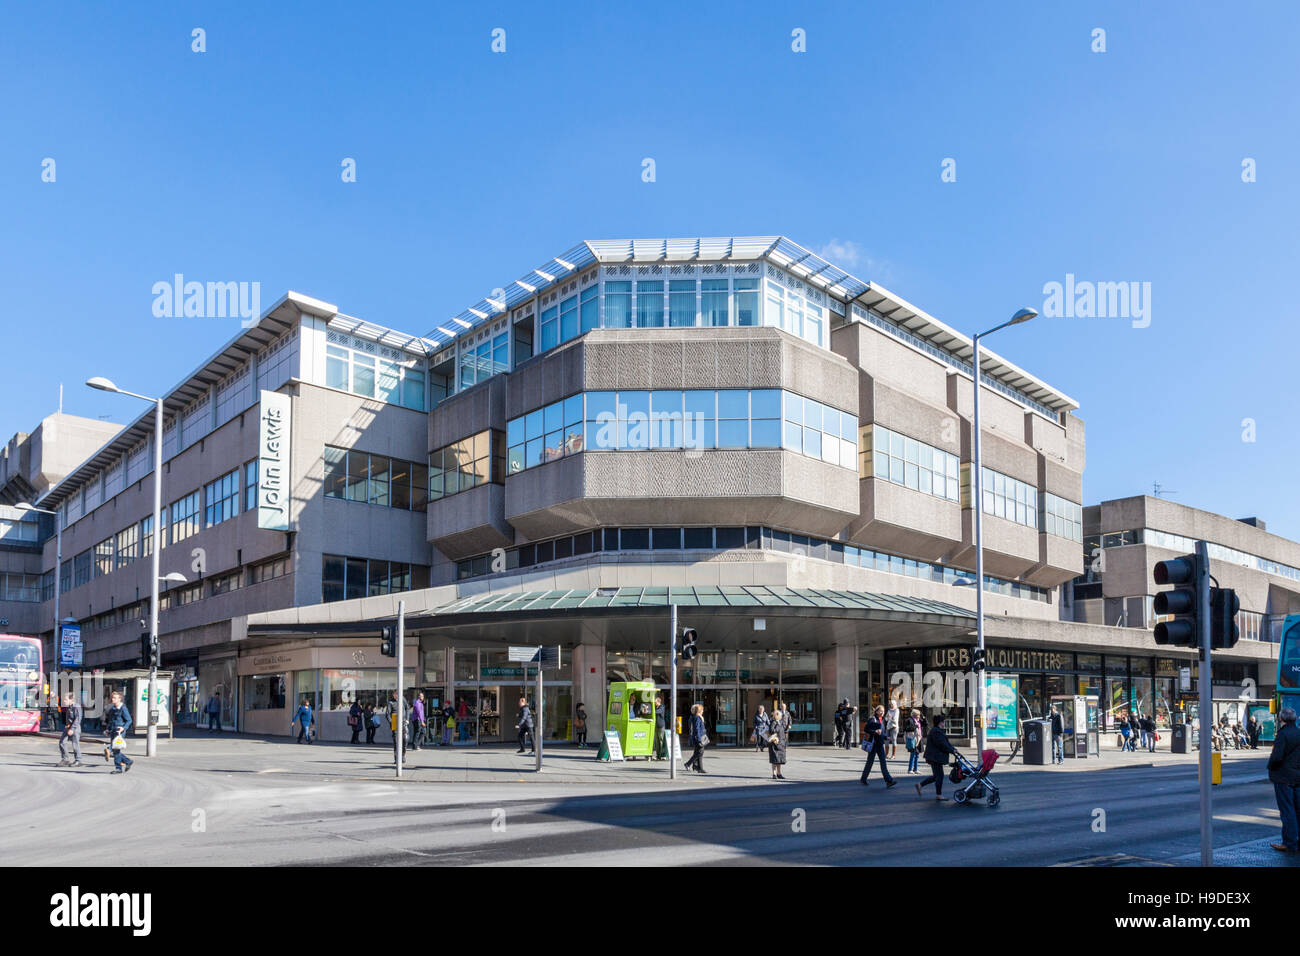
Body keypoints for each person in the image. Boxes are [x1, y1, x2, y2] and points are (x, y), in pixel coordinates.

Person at [1267, 707, 1300, 854]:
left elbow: (1276, 757)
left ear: (1282, 719)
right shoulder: (1299, 732)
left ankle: (1289, 843)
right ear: (1296, 718)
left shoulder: (1283, 734)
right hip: (1298, 776)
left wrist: (1271, 768)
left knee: (1287, 811)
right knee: (1297, 810)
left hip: (1284, 777)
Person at [916, 713, 956, 801]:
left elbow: (944, 743)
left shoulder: (937, 731)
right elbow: (942, 744)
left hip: (934, 756)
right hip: (935, 757)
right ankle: (939, 794)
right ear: (939, 723)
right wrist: (952, 750)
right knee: (940, 776)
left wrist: (953, 749)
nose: (944, 723)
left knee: (936, 776)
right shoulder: (936, 732)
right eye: (943, 721)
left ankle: (920, 785)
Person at [860, 705, 898, 788]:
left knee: (883, 763)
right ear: (877, 711)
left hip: (880, 744)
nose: (882, 712)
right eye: (881, 711)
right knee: (870, 762)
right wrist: (875, 731)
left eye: (883, 711)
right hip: (873, 744)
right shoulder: (872, 719)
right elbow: (866, 729)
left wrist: (886, 737)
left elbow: (881, 733)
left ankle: (889, 781)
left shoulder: (882, 720)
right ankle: (863, 779)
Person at [104, 691, 134, 774]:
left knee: (116, 749)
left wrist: (123, 728)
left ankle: (118, 768)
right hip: (113, 731)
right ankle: (127, 761)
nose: (112, 699)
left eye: (114, 698)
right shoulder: (112, 709)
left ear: (119, 699)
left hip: (119, 732)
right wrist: (108, 729)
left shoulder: (123, 708)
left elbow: (129, 720)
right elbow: (111, 721)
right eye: (112, 698)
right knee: (115, 750)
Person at [57, 692, 84, 768]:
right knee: (62, 742)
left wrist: (72, 729)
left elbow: (78, 719)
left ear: (71, 699)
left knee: (75, 744)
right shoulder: (69, 707)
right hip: (68, 727)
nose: (64, 701)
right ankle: (65, 759)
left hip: (75, 728)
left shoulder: (76, 707)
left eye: (66, 699)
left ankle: (78, 761)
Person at [683, 703, 708, 774]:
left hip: (698, 737)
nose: (703, 711)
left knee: (699, 753)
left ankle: (698, 768)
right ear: (699, 710)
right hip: (698, 738)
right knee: (699, 752)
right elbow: (697, 729)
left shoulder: (698, 717)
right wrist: (699, 739)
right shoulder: (697, 718)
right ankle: (688, 764)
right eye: (702, 710)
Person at [767, 707, 788, 779]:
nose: (781, 716)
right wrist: (778, 726)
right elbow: (772, 731)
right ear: (777, 715)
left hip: (781, 743)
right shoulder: (773, 722)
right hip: (775, 744)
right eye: (780, 715)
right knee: (774, 760)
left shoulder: (781, 722)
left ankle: (779, 773)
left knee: (779, 760)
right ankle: (774, 774)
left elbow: (783, 731)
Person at [388, 692, 408, 763]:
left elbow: (407, 708)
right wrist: (391, 722)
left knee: (405, 739)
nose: (396, 696)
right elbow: (387, 714)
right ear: (393, 695)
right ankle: (396, 758)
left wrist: (407, 719)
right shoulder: (390, 702)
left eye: (397, 694)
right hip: (394, 720)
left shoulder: (403, 699)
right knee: (396, 741)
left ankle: (403, 755)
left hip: (403, 721)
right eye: (395, 694)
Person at [905, 708, 923, 774]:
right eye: (918, 715)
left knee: (917, 755)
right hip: (913, 739)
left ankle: (915, 769)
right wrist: (915, 726)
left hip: (919, 739)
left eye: (919, 715)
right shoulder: (910, 720)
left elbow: (926, 723)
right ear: (914, 715)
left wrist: (923, 717)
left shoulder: (919, 720)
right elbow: (907, 728)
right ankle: (910, 769)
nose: (919, 716)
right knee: (913, 754)